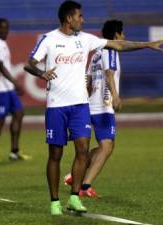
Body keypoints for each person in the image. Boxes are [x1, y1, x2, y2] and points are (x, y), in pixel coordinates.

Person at [24, 1, 163, 215]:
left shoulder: (86, 40)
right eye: (80, 16)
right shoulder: (49, 39)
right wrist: (41, 73)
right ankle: (54, 201)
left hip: (80, 106)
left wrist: (146, 44)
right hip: (56, 106)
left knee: (83, 150)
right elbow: (29, 64)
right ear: (68, 18)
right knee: (55, 154)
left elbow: (118, 45)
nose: (83, 19)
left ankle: (74, 197)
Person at [64, 20, 126, 198]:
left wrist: (84, 99)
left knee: (103, 146)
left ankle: (72, 176)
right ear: (116, 36)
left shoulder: (96, 53)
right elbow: (109, 74)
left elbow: (88, 80)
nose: (124, 37)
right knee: (107, 147)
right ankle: (85, 185)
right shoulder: (112, 49)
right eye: (122, 34)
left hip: (91, 104)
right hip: (104, 107)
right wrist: (115, 96)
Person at [0, 18, 30, 162]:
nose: (6, 31)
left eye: (7, 28)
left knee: (19, 113)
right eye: (3, 28)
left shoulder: (2, 43)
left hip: (8, 88)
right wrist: (15, 82)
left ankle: (14, 152)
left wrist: (12, 84)